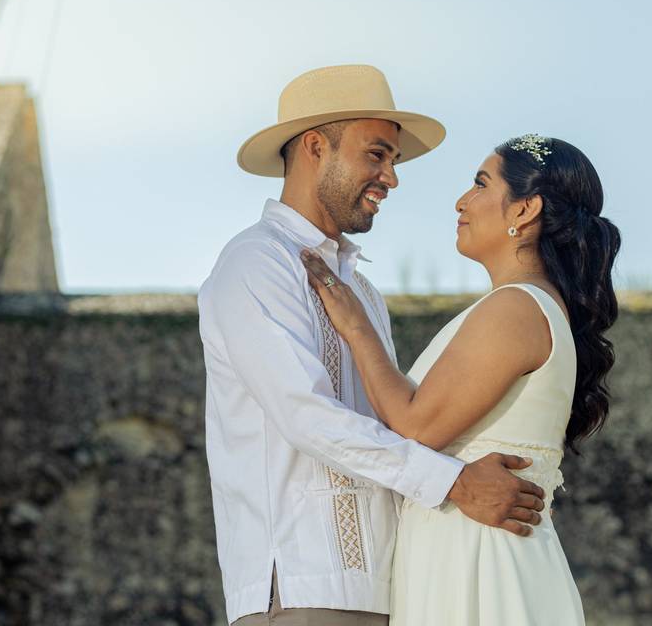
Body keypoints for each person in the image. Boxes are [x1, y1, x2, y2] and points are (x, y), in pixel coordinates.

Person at [198, 65, 546, 626]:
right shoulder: (254, 262)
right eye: (378, 154)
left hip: (389, 588)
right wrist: (455, 482)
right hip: (302, 584)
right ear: (315, 146)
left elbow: (397, 422)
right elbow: (304, 415)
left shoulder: (361, 292)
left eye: (393, 161)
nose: (391, 177)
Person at [300, 133, 621, 624]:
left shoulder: (515, 308)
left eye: (480, 184)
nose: (462, 201)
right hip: (467, 548)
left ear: (524, 210)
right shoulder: (522, 305)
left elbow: (416, 426)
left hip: (479, 560)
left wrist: (356, 327)